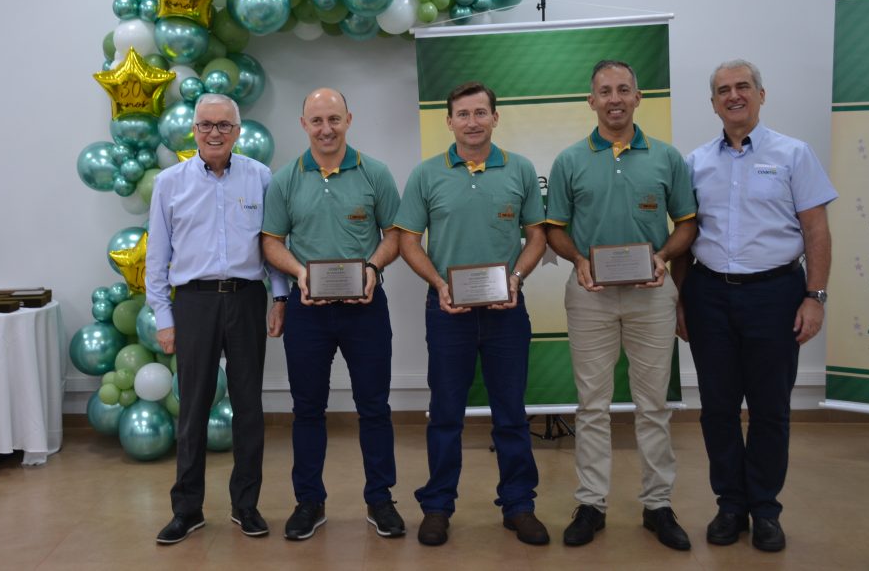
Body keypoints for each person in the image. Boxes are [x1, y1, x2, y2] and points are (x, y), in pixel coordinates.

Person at [674, 60, 835, 552]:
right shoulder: (695, 162)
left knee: (769, 410)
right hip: (709, 296)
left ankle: (765, 508)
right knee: (717, 409)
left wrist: (815, 296)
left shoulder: (794, 154)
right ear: (713, 102)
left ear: (761, 95)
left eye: (743, 87)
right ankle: (730, 505)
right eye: (723, 90)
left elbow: (816, 231)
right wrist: (682, 300)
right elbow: (685, 236)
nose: (734, 95)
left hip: (776, 294)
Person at [544, 60, 697, 551]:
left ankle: (658, 505)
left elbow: (688, 225)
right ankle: (592, 503)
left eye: (623, 90)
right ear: (591, 101)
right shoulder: (570, 161)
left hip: (652, 296)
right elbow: (555, 229)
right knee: (592, 405)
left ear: (637, 98)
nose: (614, 98)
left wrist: (663, 256)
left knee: (654, 405)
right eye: (605, 91)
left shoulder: (667, 158)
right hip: (590, 296)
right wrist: (578, 260)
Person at [394, 81, 550, 547]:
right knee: (445, 414)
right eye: (463, 114)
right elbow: (407, 241)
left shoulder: (520, 169)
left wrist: (517, 278)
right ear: (449, 121)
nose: (472, 122)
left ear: (495, 118)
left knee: (511, 414)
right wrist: (439, 284)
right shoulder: (426, 175)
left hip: (507, 312)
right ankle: (438, 506)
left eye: (481, 113)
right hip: (447, 311)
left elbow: (537, 237)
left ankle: (519, 505)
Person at [261, 88, 405, 541]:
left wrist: (373, 267)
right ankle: (309, 501)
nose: (326, 129)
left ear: (349, 120)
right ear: (303, 124)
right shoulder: (285, 180)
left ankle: (380, 499)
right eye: (317, 120)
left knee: (375, 408)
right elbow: (271, 243)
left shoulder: (375, 173)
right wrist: (299, 274)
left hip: (365, 308)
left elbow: (396, 234)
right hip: (307, 311)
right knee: (307, 409)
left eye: (334, 120)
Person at [146, 93, 289, 544]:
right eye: (206, 124)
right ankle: (187, 509)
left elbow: (271, 245)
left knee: (249, 407)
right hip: (194, 303)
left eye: (224, 126)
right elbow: (157, 258)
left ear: (238, 131)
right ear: (193, 130)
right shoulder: (170, 183)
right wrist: (163, 318)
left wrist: (279, 297)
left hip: (246, 299)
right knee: (192, 410)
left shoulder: (261, 177)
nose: (214, 133)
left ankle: (245, 506)